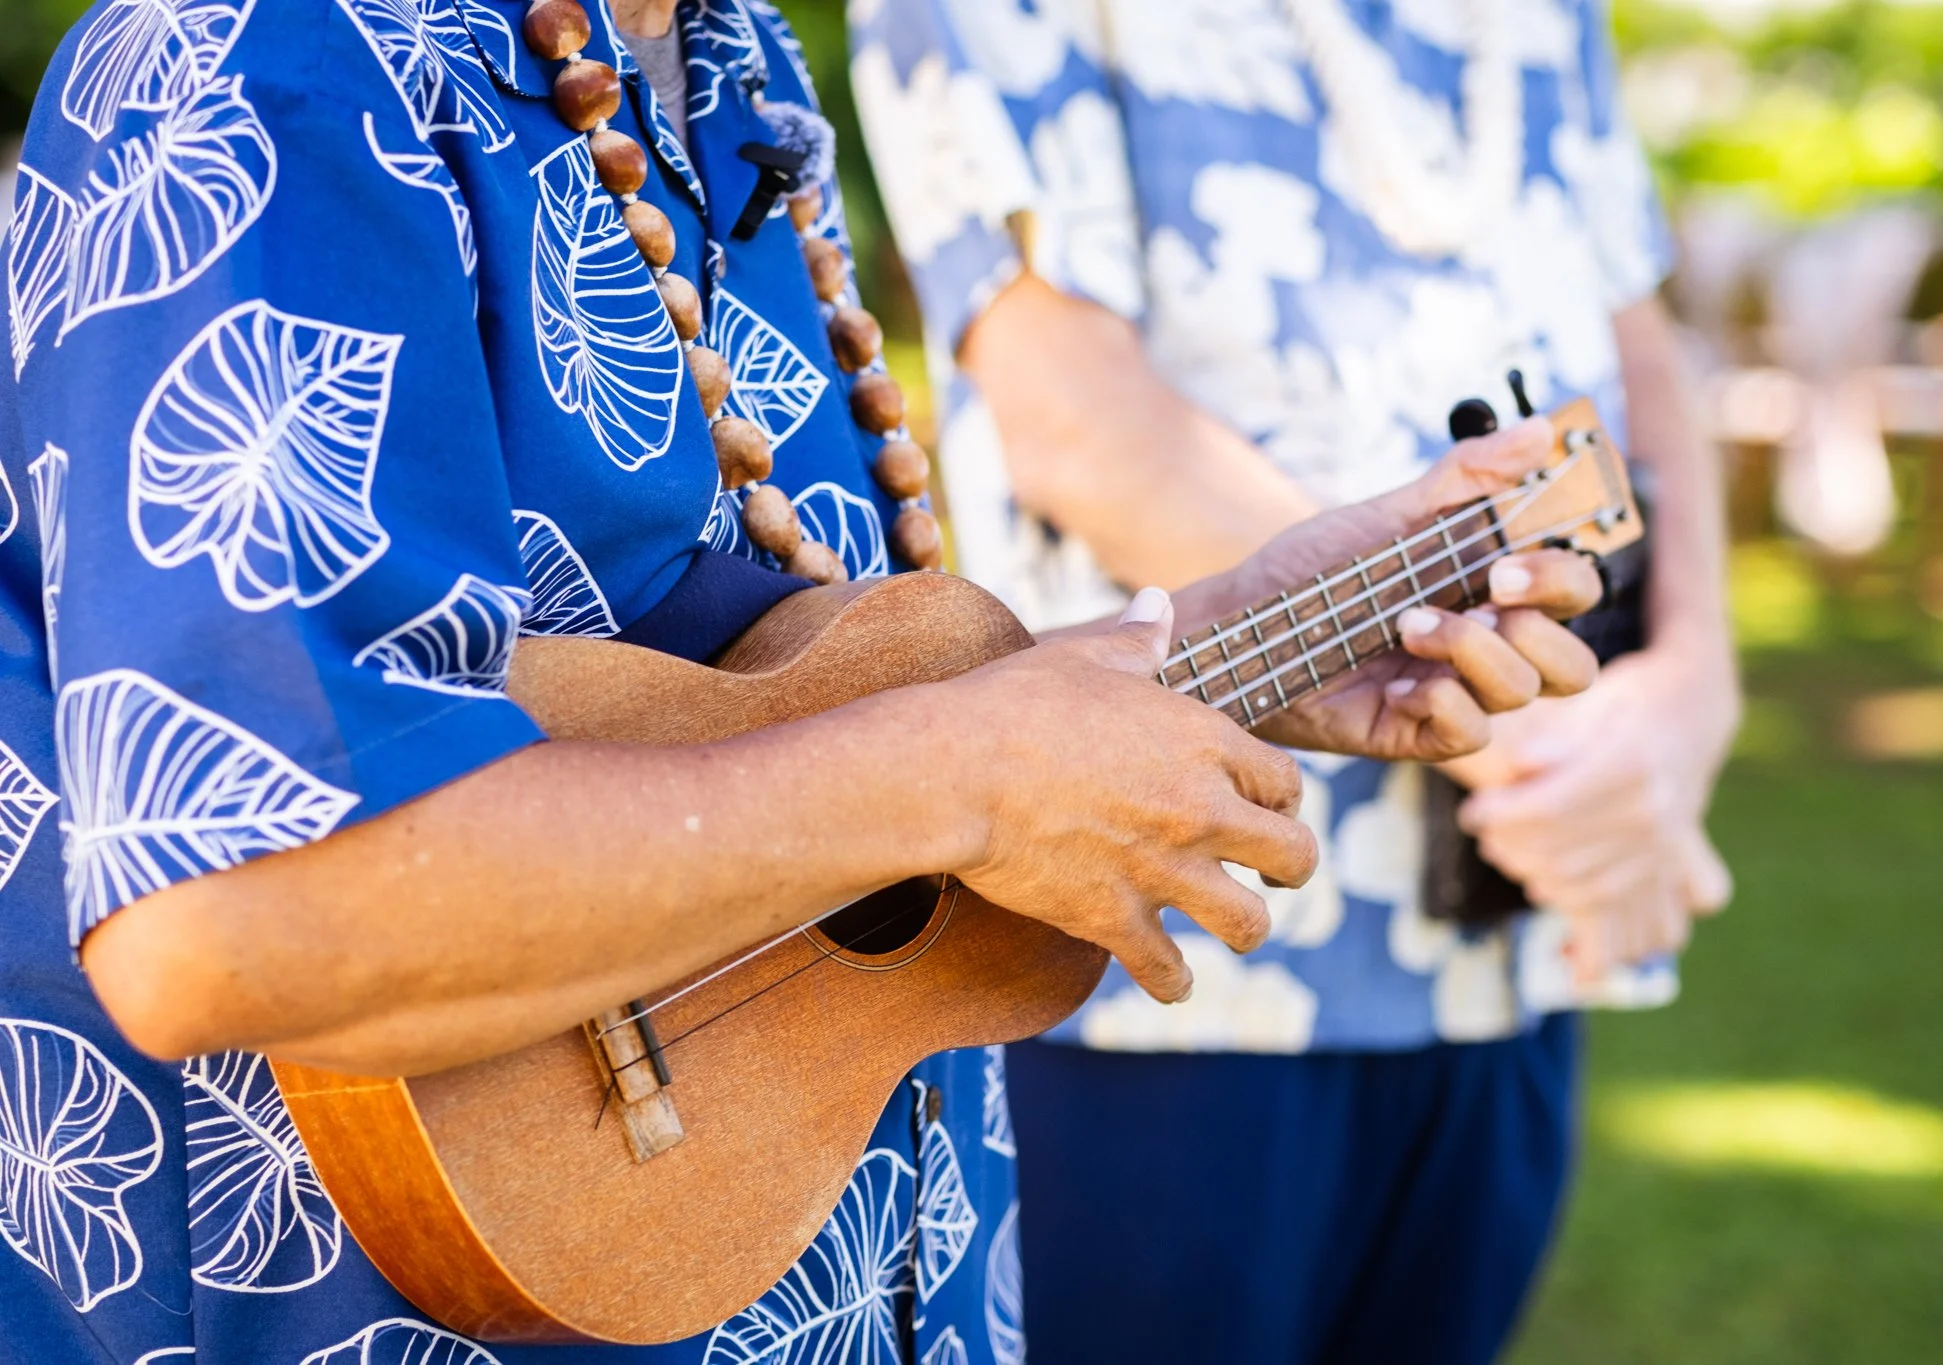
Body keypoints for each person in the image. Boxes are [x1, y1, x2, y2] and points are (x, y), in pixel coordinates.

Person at [0, 0, 1602, 1361]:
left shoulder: (730, 60)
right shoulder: (255, 64)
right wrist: (965, 777)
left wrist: (1207, 645)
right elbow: (233, 915)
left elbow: (776, 714)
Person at [850, 1, 1741, 1361]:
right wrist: (1532, 743)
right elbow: (1079, 423)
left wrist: (1694, 691)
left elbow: (1637, 347)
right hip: (1177, 951)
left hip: (1516, 924)